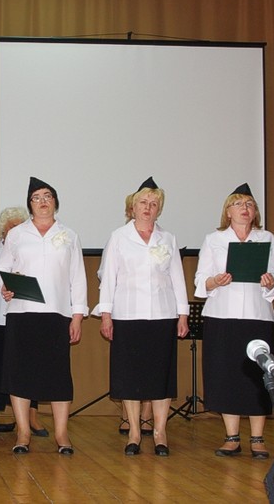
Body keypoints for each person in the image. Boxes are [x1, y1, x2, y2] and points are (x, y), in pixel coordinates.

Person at [94, 177, 189, 456]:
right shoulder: (118, 237)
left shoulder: (168, 239)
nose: (148, 207)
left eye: (154, 203)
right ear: (132, 207)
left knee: (161, 376)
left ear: (159, 209)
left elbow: (177, 279)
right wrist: (106, 315)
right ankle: (134, 432)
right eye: (143, 202)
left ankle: (160, 432)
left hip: (162, 315)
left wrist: (182, 314)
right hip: (127, 315)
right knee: (130, 375)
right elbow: (108, 279)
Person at [0, 177, 88, 455]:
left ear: (55, 202)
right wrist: (7, 284)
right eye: (36, 197)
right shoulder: (17, 234)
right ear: (30, 204)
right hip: (22, 313)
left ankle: (61, 434)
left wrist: (77, 316)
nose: (42, 201)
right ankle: (23, 433)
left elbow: (78, 278)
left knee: (58, 376)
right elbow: (0, 267)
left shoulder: (69, 235)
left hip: (57, 314)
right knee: (20, 374)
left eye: (47, 196)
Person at [195, 183, 274, 459]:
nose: (245, 208)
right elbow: (201, 279)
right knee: (227, 375)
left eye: (249, 204)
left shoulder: (267, 238)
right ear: (228, 212)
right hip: (223, 317)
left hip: (257, 316)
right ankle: (231, 437)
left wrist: (271, 281)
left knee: (257, 376)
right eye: (238, 204)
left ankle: (258, 438)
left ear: (255, 212)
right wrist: (215, 281)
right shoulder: (214, 239)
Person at [0, 207, 50, 437]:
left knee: (29, 367)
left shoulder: (32, 250)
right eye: (12, 227)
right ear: (2, 230)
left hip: (24, 317)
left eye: (20, 226)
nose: (16, 231)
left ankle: (32, 419)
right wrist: (2, 278)